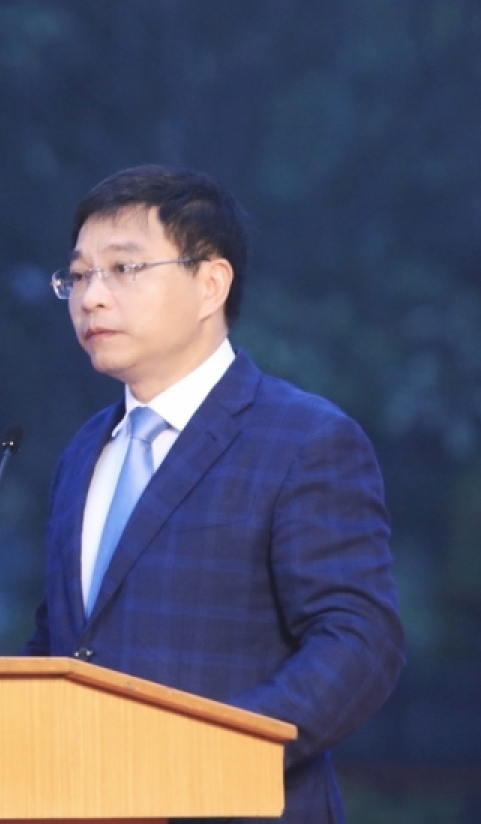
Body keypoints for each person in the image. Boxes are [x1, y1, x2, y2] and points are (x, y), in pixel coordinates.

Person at [24, 165, 404, 823]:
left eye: (123, 269)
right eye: (79, 276)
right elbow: (60, 642)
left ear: (211, 283)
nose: (91, 298)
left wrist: (212, 751)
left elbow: (359, 642)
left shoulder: (305, 439)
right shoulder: (84, 452)